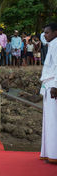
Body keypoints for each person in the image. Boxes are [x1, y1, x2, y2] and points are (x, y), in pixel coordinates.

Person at [40, 23, 57, 164]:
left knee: (53, 121)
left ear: (55, 32)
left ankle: (54, 154)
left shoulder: (56, 45)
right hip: (48, 84)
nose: (45, 35)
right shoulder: (51, 45)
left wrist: (55, 86)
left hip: (53, 85)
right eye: (44, 33)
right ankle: (49, 153)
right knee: (48, 120)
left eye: (47, 32)